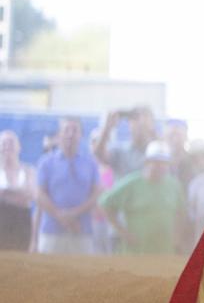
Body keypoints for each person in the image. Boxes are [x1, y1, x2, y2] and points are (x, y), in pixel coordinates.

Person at [98, 140, 184, 255]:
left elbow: (181, 212)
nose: (160, 166)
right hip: (136, 251)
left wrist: (176, 237)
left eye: (164, 163)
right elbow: (105, 204)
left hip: (165, 251)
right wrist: (123, 232)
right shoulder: (132, 182)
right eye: (156, 162)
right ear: (147, 162)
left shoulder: (174, 185)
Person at [33, 118, 99, 255]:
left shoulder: (91, 164)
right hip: (52, 233)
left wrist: (74, 214)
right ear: (59, 135)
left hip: (81, 232)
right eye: (66, 130)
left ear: (81, 135)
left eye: (75, 130)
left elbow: (96, 195)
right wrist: (61, 216)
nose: (70, 134)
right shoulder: (46, 163)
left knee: (82, 274)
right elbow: (39, 195)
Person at [91, 105, 157, 180]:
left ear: (152, 124)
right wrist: (107, 127)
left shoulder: (157, 153)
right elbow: (99, 155)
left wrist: (153, 133)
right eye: (136, 118)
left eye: (145, 118)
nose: (140, 122)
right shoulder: (120, 151)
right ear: (129, 123)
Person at [0, 129, 36, 252]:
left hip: (21, 224)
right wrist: (18, 193)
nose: (7, 147)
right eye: (4, 143)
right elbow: (22, 196)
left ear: (19, 147)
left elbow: (31, 194)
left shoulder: (28, 170)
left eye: (11, 143)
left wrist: (5, 193)